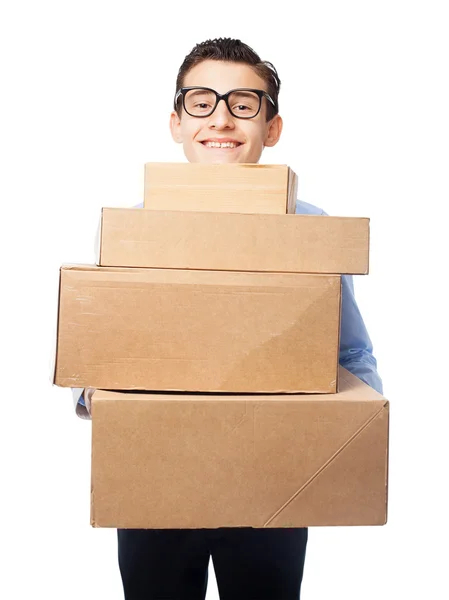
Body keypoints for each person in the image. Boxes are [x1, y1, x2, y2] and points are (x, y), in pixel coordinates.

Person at [72, 37, 383, 600]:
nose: (221, 118)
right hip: (156, 470)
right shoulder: (134, 226)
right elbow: (93, 345)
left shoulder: (309, 229)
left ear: (273, 127)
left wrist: (351, 430)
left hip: (272, 470)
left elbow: (351, 350)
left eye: (243, 103)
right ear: (175, 122)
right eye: (201, 101)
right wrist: (104, 397)